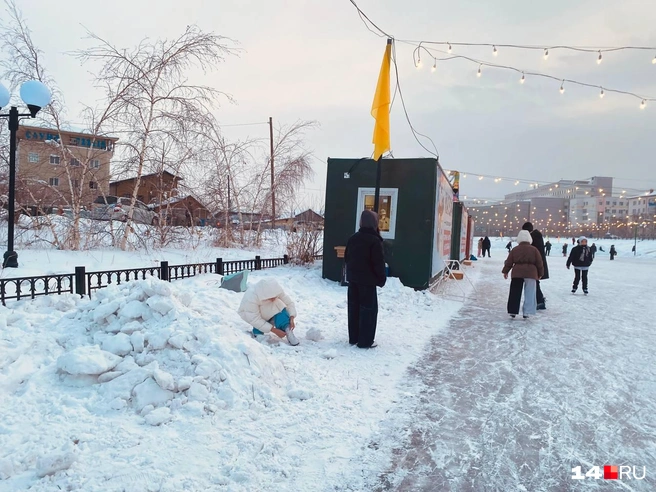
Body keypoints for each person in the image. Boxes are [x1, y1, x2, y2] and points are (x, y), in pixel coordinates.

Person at [345, 210, 386, 348]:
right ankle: (365, 341)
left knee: (354, 308)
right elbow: (378, 263)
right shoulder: (375, 240)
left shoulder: (353, 238)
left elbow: (347, 258)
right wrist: (381, 279)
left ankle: (354, 337)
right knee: (368, 311)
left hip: (353, 280)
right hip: (368, 282)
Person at [238, 279, 299, 346]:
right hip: (249, 314)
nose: (273, 298)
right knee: (259, 319)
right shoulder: (251, 297)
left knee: (279, 305)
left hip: (266, 308)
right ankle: (257, 332)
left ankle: (287, 328)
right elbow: (254, 318)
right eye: (271, 297)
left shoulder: (275, 289)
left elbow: (289, 303)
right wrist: (274, 330)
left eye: (275, 296)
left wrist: (291, 318)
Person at [502, 230, 544, 319]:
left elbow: (509, 262)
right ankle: (527, 312)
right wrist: (540, 273)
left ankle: (513, 311)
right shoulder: (534, 250)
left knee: (515, 292)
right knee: (530, 293)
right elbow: (539, 263)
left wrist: (505, 271)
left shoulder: (515, 249)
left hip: (517, 272)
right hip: (531, 273)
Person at [522, 222, 549, 310]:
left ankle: (540, 301)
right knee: (535, 283)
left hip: (535, 264)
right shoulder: (536, 236)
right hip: (537, 263)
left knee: (535, 283)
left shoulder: (534, 237)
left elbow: (533, 251)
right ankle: (539, 300)